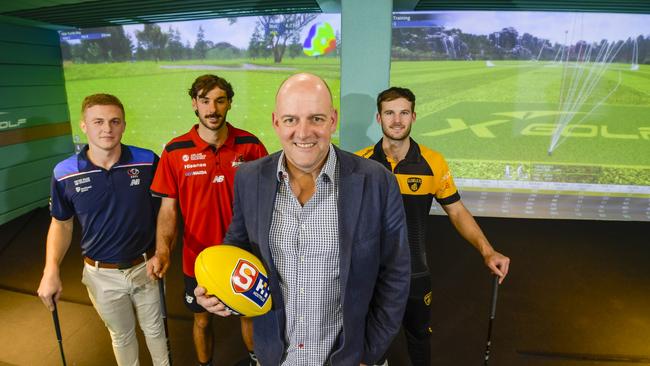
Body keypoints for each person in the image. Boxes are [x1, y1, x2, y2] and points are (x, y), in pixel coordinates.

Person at [194, 73, 411, 366]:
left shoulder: (377, 182)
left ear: (333, 120)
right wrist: (217, 291)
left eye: (317, 119)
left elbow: (395, 276)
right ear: (276, 122)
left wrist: (368, 354)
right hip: (276, 356)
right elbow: (237, 248)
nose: (304, 132)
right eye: (291, 120)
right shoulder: (249, 178)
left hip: (349, 358)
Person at [356, 87, 511, 366]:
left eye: (404, 113)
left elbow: (457, 211)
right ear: (378, 119)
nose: (397, 120)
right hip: (370, 272)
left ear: (414, 116)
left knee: (418, 338)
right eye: (389, 113)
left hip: (413, 270)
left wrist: (488, 251)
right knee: (369, 343)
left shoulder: (433, 162)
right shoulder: (360, 163)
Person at [37, 93, 169, 365]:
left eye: (114, 121)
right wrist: (51, 270)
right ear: (84, 125)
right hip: (101, 275)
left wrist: (161, 251)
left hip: (146, 268)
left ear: (123, 125)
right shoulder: (64, 172)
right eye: (98, 121)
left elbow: (165, 211)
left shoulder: (147, 161)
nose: (107, 129)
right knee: (121, 336)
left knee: (156, 331)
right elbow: (61, 224)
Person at [147, 74, 268, 366]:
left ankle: (256, 361)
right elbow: (168, 210)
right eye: (205, 101)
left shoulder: (250, 145)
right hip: (197, 258)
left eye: (219, 100)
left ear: (229, 104)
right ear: (194, 104)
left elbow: (268, 201)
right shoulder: (175, 151)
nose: (212, 108)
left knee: (249, 315)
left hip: (244, 255)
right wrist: (163, 251)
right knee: (201, 321)